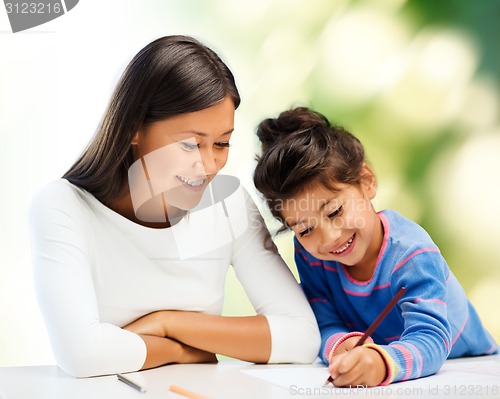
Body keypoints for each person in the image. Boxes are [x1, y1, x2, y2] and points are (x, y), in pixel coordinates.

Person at [28, 36, 320, 378]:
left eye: (222, 143)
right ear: (134, 129)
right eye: (189, 144)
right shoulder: (63, 207)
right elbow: (81, 355)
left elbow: (301, 338)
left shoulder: (227, 206)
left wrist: (168, 323)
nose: (209, 164)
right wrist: (187, 351)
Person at [253, 107, 498, 387]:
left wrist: (381, 363)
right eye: (305, 229)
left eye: (334, 212)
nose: (329, 237)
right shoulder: (312, 257)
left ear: (367, 182)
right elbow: (323, 321)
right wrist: (339, 346)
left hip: (470, 371)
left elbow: (431, 339)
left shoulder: (412, 254)